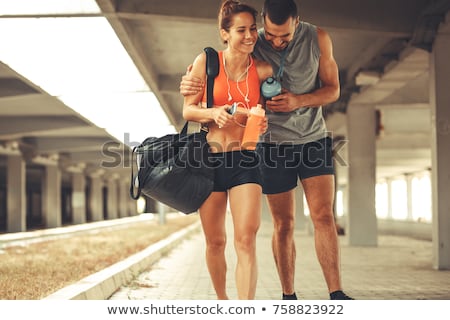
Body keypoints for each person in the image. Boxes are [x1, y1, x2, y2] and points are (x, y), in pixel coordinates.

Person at [180, 0, 353, 300]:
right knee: (279, 224)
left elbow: (334, 89)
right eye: (269, 35)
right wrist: (195, 87)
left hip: (310, 138)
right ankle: (287, 295)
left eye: (283, 37)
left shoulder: (315, 40)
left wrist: (298, 101)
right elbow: (208, 83)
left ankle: (336, 293)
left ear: (297, 23)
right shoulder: (251, 41)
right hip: (269, 145)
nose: (274, 41)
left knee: (322, 215)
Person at [182, 0, 273, 300]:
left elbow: (266, 113)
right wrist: (213, 113)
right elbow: (188, 111)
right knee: (216, 242)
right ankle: (223, 303)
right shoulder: (206, 63)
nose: (249, 36)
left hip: (246, 159)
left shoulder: (261, 70)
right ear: (224, 33)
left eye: (253, 29)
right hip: (209, 161)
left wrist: (261, 124)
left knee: (245, 240)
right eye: (241, 30)